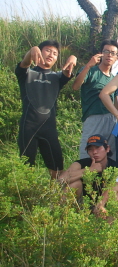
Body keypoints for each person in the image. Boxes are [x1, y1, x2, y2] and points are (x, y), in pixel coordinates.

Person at [16, 40, 77, 178]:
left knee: (57, 169)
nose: (51, 55)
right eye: (48, 50)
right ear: (39, 52)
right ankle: (27, 192)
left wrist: (73, 58)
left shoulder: (57, 77)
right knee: (26, 168)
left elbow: (67, 72)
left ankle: (53, 192)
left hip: (49, 129)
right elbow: (24, 63)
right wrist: (31, 51)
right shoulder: (26, 73)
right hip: (28, 128)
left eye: (55, 53)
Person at [72, 40, 118, 159]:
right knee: (88, 155)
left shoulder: (114, 79)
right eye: (106, 51)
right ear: (101, 53)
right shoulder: (91, 71)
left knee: (110, 155)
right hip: (94, 118)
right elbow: (75, 86)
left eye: (113, 53)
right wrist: (88, 65)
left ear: (117, 57)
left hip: (111, 119)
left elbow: (116, 104)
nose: (109, 55)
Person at [58, 134, 118, 204]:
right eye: (90, 149)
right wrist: (90, 170)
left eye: (98, 148)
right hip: (82, 203)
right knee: (75, 184)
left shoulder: (116, 167)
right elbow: (61, 180)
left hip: (106, 203)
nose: (94, 152)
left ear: (107, 149)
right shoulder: (81, 164)